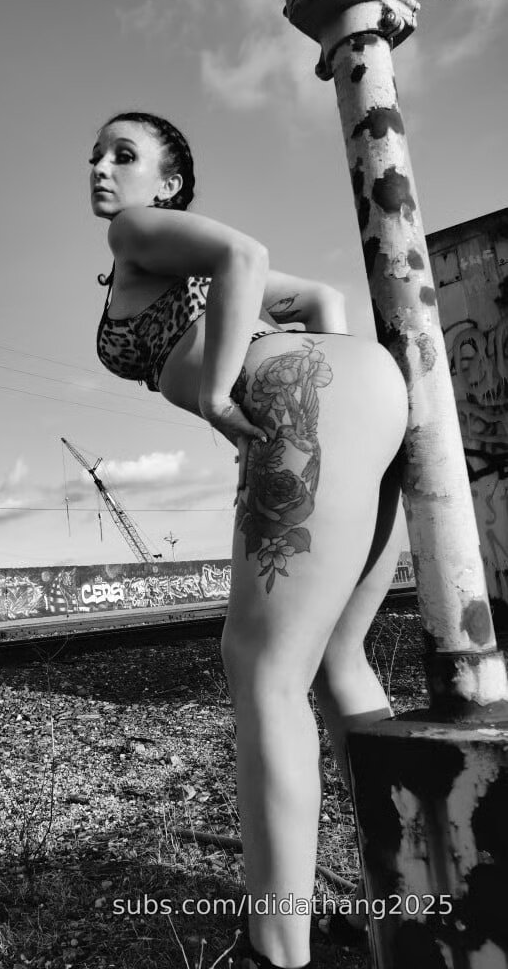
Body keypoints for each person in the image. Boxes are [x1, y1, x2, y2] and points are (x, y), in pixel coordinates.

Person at [90, 111, 408, 969]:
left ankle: (278, 949)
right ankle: (407, 896)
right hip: (365, 390)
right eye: (96, 156)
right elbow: (321, 303)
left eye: (124, 155)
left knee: (262, 670)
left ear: (167, 186)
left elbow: (244, 254)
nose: (102, 169)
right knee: (339, 663)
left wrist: (221, 398)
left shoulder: (134, 233)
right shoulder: (166, 263)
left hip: (303, 404)